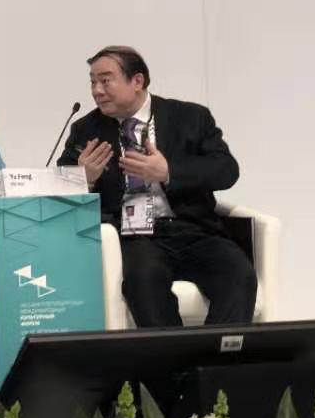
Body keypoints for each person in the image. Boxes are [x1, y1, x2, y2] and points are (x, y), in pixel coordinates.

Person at [57, 45, 253, 327]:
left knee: (239, 274)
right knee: (143, 281)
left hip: (193, 229)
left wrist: (168, 172)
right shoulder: (86, 129)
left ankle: (213, 355)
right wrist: (84, 179)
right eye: (92, 82)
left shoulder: (190, 117)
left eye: (105, 80)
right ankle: (170, 356)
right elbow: (59, 188)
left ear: (137, 81)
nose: (97, 90)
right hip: (134, 236)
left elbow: (226, 170)